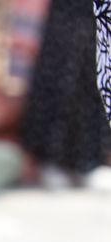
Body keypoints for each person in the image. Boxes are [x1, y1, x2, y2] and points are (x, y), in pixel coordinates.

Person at [21, 0, 111, 190]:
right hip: (66, 12)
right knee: (61, 72)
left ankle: (87, 163)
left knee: (96, 72)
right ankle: (51, 161)